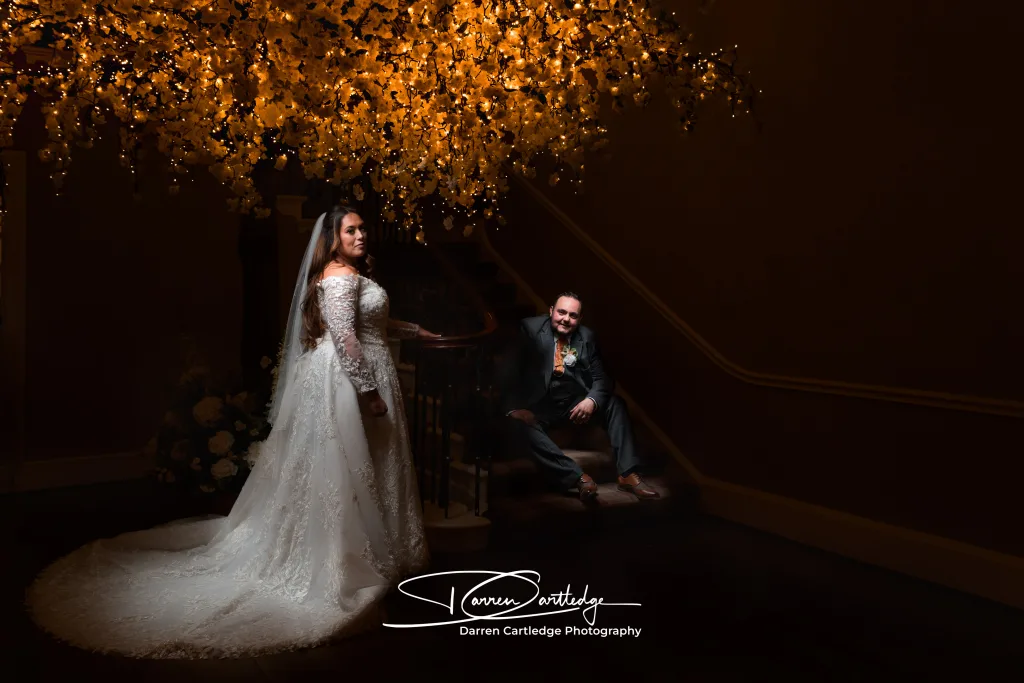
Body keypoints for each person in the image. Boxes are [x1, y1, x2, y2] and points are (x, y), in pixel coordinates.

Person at [24, 205, 440, 658]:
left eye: (362, 229)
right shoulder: (340, 276)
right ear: (334, 238)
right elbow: (344, 336)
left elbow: (368, 324)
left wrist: (415, 330)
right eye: (351, 230)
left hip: (354, 369)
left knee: (366, 465)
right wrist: (368, 391)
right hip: (349, 379)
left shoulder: (346, 274)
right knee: (349, 467)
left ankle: (370, 546)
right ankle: (344, 558)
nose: (361, 236)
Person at [502, 292, 660, 502]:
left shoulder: (587, 337)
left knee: (615, 404)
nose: (566, 319)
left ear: (580, 319)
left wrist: (591, 401)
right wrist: (513, 409)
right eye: (561, 312)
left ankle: (628, 474)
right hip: (540, 406)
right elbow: (508, 374)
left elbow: (602, 379)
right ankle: (577, 477)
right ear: (551, 311)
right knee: (519, 425)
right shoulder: (529, 330)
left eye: (573, 315)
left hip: (572, 405)